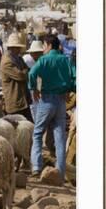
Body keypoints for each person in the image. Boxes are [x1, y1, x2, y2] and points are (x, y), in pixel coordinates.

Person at [29, 34, 76, 182]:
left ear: (49, 45)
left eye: (44, 45)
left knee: (37, 133)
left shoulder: (43, 60)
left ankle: (36, 167)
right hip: (61, 101)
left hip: (46, 100)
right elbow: (75, 77)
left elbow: (31, 73)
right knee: (60, 137)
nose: (43, 49)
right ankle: (60, 173)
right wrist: (69, 88)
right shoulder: (66, 60)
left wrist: (34, 88)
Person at [0, 33, 32, 121]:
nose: (19, 49)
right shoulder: (6, 61)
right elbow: (20, 75)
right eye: (17, 47)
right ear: (11, 48)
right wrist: (25, 71)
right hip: (14, 101)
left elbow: (27, 71)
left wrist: (25, 71)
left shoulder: (18, 58)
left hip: (23, 99)